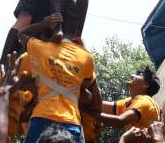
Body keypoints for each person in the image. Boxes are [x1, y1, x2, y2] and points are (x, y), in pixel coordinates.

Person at [15, 13, 101, 143]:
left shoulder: (41, 48)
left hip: (42, 117)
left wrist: (44, 23)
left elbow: (21, 34)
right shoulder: (86, 56)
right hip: (71, 121)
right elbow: (88, 88)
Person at [94, 66, 161, 138]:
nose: (132, 75)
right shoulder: (131, 101)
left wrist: (87, 111)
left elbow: (120, 121)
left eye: (139, 74)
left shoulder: (146, 101)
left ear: (146, 84)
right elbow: (101, 106)